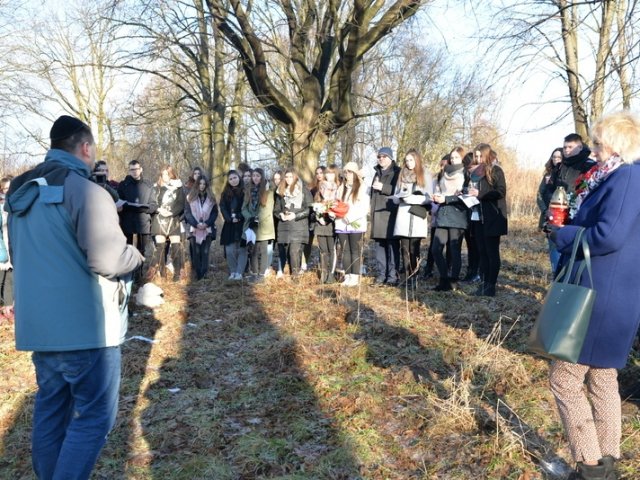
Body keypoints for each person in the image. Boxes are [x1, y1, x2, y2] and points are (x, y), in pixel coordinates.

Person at [5, 115, 143, 479]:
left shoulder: (21, 196)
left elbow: (19, 259)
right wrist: (135, 255)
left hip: (40, 330)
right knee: (93, 418)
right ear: (84, 148)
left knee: (51, 413)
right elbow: (109, 259)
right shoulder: (85, 191)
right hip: (87, 330)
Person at [548, 111, 640, 480]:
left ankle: (589, 466)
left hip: (599, 296)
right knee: (602, 379)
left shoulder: (627, 178)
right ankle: (608, 462)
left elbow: (609, 235)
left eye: (599, 143)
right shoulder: (621, 178)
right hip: (614, 295)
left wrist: (564, 234)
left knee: (564, 379)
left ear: (617, 144)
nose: (595, 150)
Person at [467, 143, 508, 297]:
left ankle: (491, 286)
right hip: (477, 217)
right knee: (481, 252)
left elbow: (501, 191)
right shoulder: (474, 173)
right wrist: (465, 192)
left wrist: (480, 193)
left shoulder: (496, 170)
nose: (477, 159)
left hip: (492, 217)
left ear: (487, 155)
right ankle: (483, 283)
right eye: (475, 156)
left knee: (491, 252)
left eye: (480, 156)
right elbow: (473, 190)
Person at [392, 149, 432, 287]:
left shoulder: (424, 175)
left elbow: (428, 198)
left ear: (417, 160)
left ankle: (415, 276)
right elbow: (396, 196)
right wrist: (398, 198)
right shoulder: (401, 175)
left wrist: (413, 199)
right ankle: (407, 276)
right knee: (404, 248)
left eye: (411, 160)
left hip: (416, 216)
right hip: (403, 215)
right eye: (407, 160)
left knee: (414, 248)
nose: (409, 163)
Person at [431, 147, 468, 291]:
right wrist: (436, 196)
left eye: (457, 157)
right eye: (452, 157)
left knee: (454, 250)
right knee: (436, 249)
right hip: (443, 214)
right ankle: (444, 279)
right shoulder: (443, 172)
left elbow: (465, 195)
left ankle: (453, 281)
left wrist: (446, 198)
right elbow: (439, 190)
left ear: (462, 158)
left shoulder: (465, 173)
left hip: (458, 214)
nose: (453, 160)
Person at [334, 162, 369, 287]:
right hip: (342, 224)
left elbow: (365, 208)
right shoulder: (341, 188)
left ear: (355, 174)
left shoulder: (362, 188)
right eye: (345, 172)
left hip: (356, 224)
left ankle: (355, 276)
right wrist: (335, 213)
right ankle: (347, 275)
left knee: (355, 250)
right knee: (345, 250)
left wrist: (351, 218)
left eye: (350, 172)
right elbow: (337, 204)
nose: (347, 174)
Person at [273, 168, 312, 277]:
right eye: (286, 177)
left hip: (299, 225)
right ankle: (296, 272)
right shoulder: (280, 192)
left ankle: (295, 277)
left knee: (294, 251)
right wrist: (281, 215)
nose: (288, 179)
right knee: (289, 252)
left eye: (291, 176)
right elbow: (276, 210)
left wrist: (295, 215)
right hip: (284, 226)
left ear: (295, 177)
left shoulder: (303, 190)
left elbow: (309, 209)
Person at [149, 165, 186, 282]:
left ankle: (177, 275)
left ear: (172, 174)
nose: (165, 176)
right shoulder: (156, 188)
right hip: (159, 220)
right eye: (163, 174)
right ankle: (162, 275)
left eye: (168, 174)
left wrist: (171, 212)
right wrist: (160, 210)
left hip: (173, 219)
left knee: (176, 247)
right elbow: (151, 204)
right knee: (160, 248)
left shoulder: (179, 188)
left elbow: (181, 204)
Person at [370, 146, 401, 286]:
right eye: (379, 156)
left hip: (390, 213)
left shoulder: (397, 172)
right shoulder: (376, 172)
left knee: (392, 246)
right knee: (379, 247)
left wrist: (383, 187)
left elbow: (399, 191)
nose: (381, 159)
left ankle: (392, 276)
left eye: (384, 156)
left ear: (390, 158)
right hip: (377, 213)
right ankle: (382, 275)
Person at [117, 160, 157, 259]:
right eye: (132, 169)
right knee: (128, 250)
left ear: (141, 169)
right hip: (127, 221)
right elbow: (118, 202)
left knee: (142, 252)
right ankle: (129, 273)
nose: (134, 172)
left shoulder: (148, 185)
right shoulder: (123, 185)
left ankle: (140, 273)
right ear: (129, 171)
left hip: (143, 221)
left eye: (136, 169)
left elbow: (154, 204)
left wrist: (146, 209)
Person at [241, 167, 275, 282]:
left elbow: (267, 209)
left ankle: (261, 274)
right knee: (253, 250)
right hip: (251, 224)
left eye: (258, 176)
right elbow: (243, 207)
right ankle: (254, 273)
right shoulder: (248, 190)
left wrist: (257, 218)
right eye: (253, 176)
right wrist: (250, 217)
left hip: (264, 224)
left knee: (264, 250)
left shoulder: (268, 191)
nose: (255, 178)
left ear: (262, 177)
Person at [184, 175, 218, 280]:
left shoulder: (211, 198)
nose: (202, 186)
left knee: (205, 252)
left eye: (204, 184)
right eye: (200, 184)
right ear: (197, 184)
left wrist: (207, 223)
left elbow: (214, 213)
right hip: (194, 229)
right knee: (196, 252)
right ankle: (198, 275)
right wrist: (195, 223)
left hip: (207, 229)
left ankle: (204, 274)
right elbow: (187, 213)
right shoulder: (190, 197)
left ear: (207, 185)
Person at [537, 147, 563, 271]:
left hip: (563, 218)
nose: (556, 159)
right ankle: (555, 274)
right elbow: (539, 194)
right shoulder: (548, 174)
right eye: (554, 157)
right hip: (549, 218)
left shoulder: (567, 174)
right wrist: (544, 210)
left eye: (559, 157)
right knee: (552, 247)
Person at [313, 165, 339, 284]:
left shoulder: (338, 188)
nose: (329, 176)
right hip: (320, 224)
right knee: (323, 250)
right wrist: (318, 216)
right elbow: (315, 205)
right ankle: (323, 274)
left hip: (332, 224)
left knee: (331, 249)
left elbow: (340, 205)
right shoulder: (320, 189)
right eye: (327, 173)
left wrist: (332, 214)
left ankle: (331, 274)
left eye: (331, 173)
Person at [219, 170, 248, 280]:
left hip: (242, 224)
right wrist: (229, 218)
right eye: (230, 179)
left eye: (235, 177)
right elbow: (222, 207)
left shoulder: (245, 191)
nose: (233, 180)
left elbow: (247, 207)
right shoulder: (225, 193)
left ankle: (239, 273)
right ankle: (233, 271)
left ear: (239, 178)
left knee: (242, 249)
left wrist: (239, 216)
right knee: (229, 250)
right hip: (229, 225)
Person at [0, 176, 14, 320]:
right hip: (3, 251)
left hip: (12, 249)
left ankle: (9, 308)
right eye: (5, 189)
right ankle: (4, 309)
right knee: (1, 280)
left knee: (10, 280)